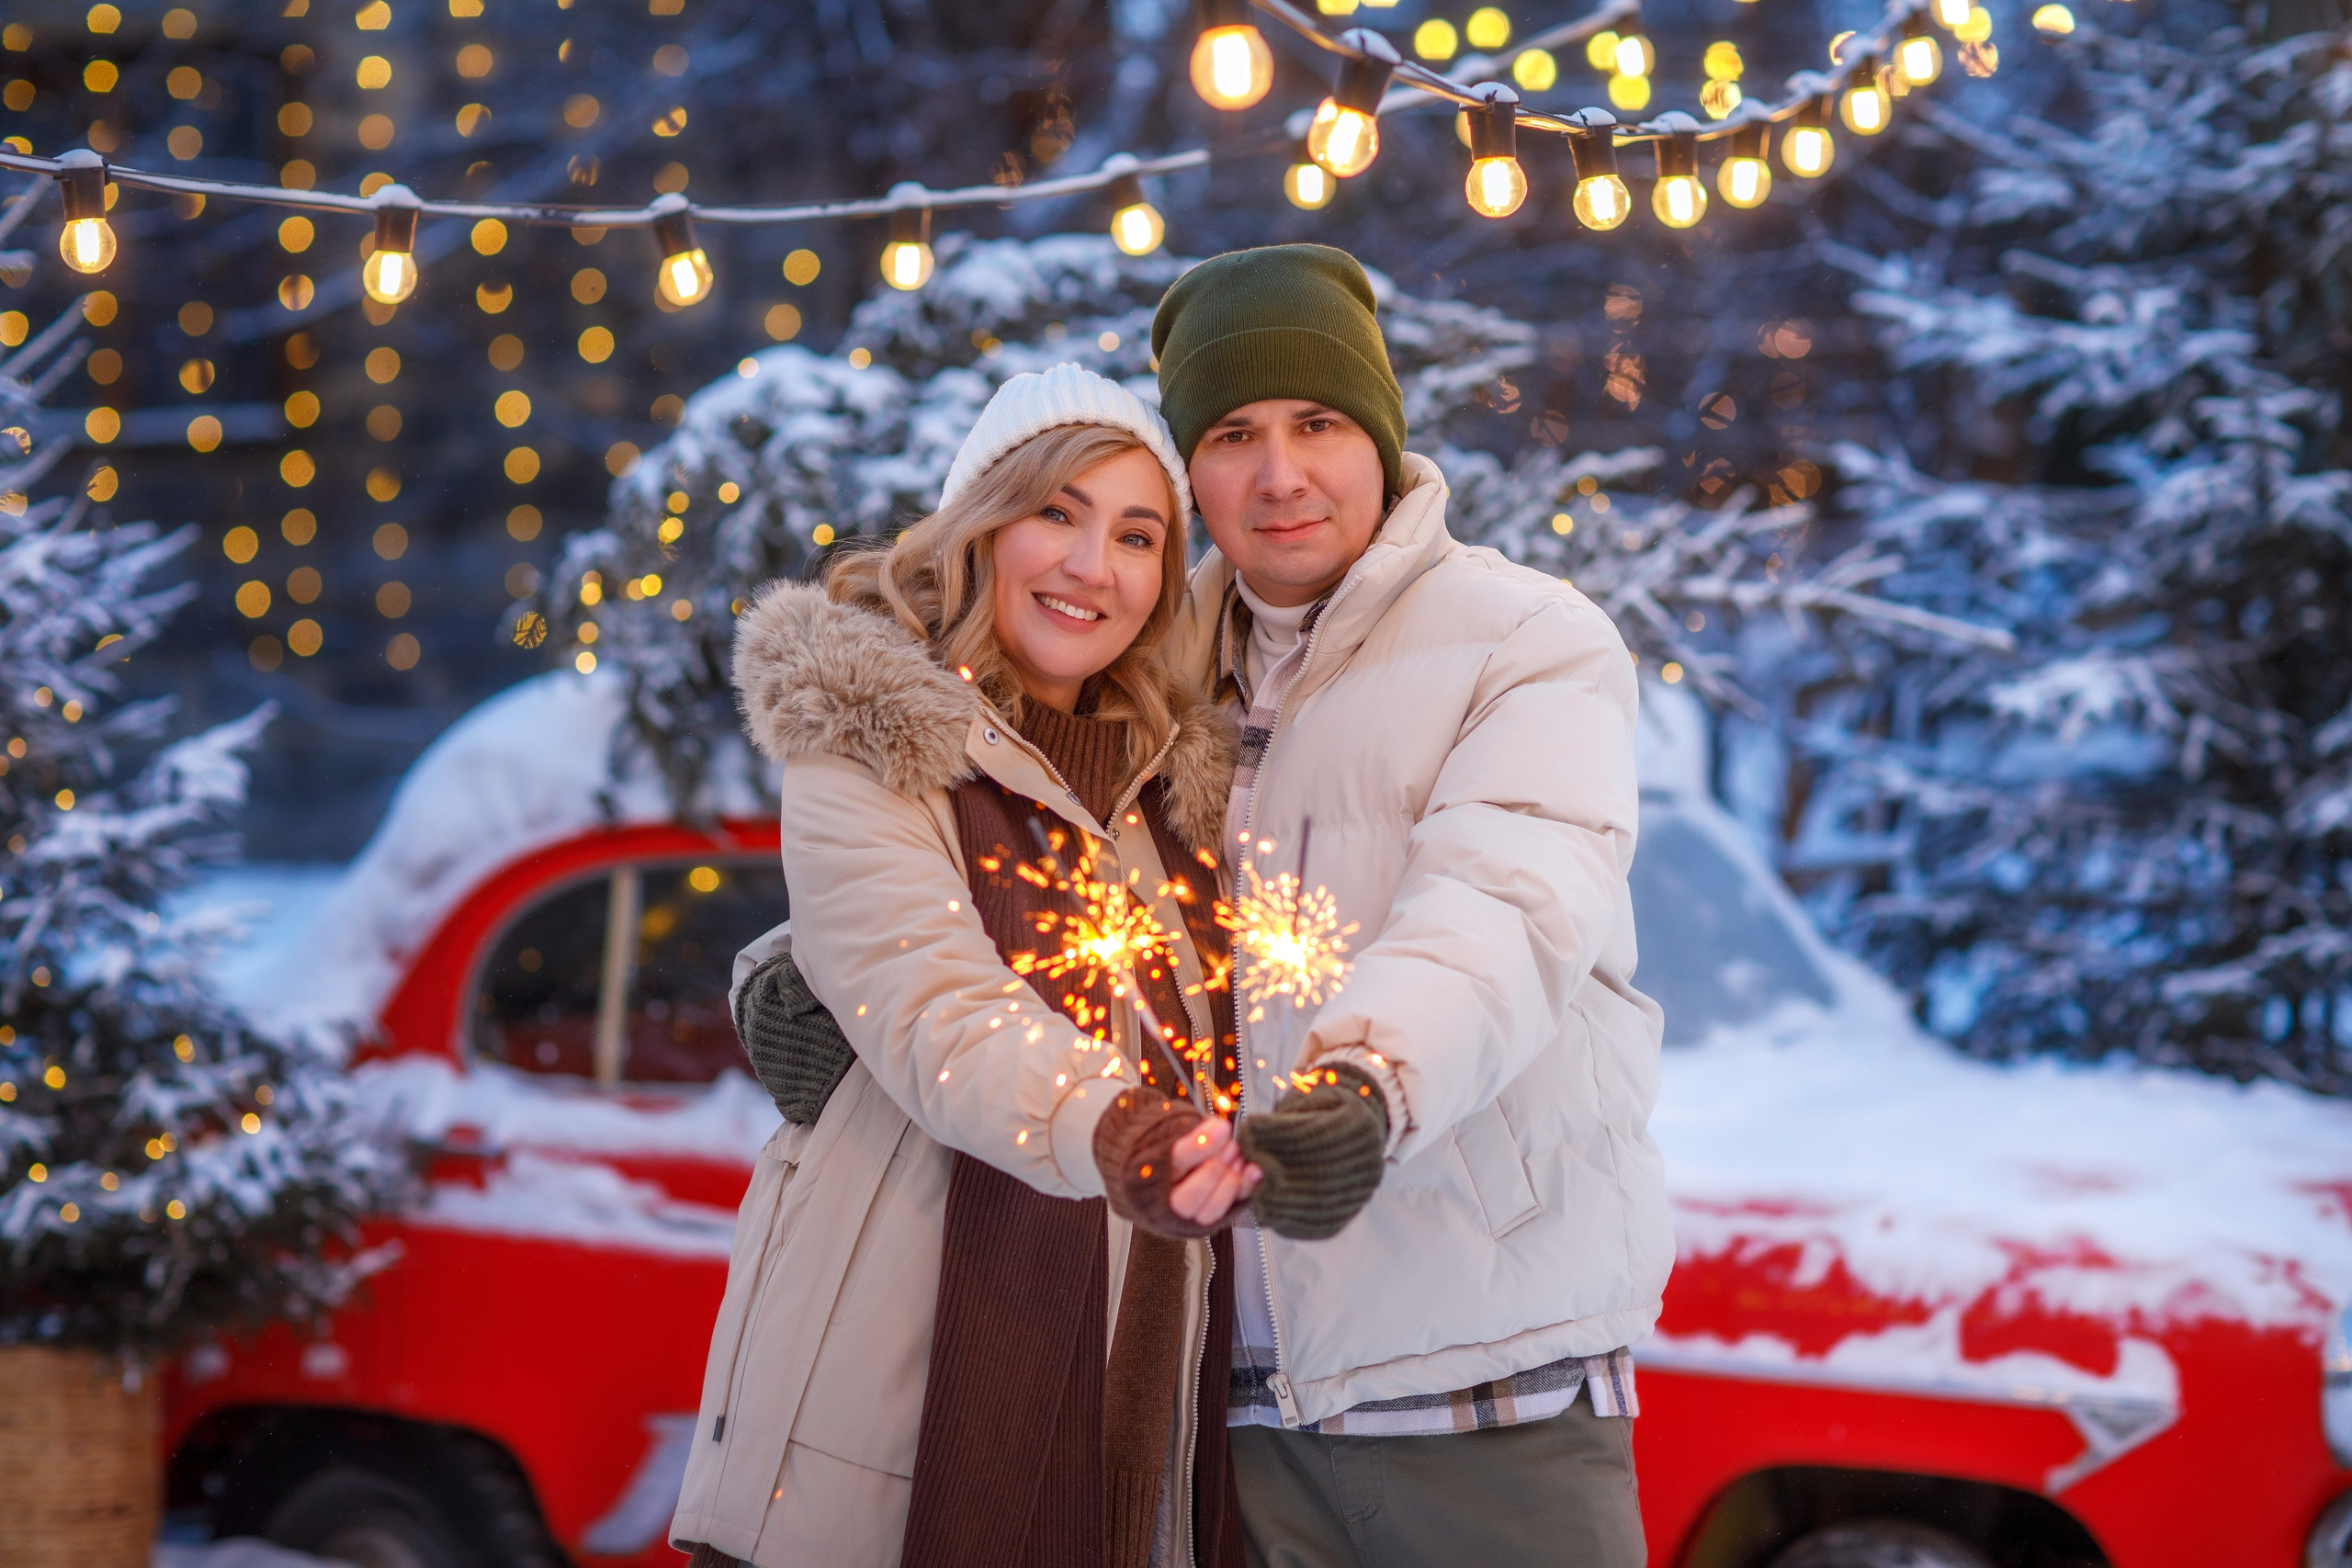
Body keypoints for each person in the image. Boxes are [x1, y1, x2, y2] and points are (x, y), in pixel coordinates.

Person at [1098, 243, 1674, 1567]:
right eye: (1233, 433)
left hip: (1478, 1381)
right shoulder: (1144, 670)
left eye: (1315, 423)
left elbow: (1508, 896)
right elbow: (995, 840)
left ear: (1382, 433)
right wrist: (825, 970)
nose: (1279, 473)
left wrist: (1368, 1080)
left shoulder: (1528, 641)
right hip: (1207, 1392)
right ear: (1189, 470)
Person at [671, 363, 1288, 1568]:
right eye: (1055, 512)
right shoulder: (870, 748)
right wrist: (1121, 1128)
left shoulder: (1177, 802)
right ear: (978, 527)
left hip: (1147, 1388)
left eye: (1137, 534)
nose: (1090, 566)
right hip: (902, 1402)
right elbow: (935, 1003)